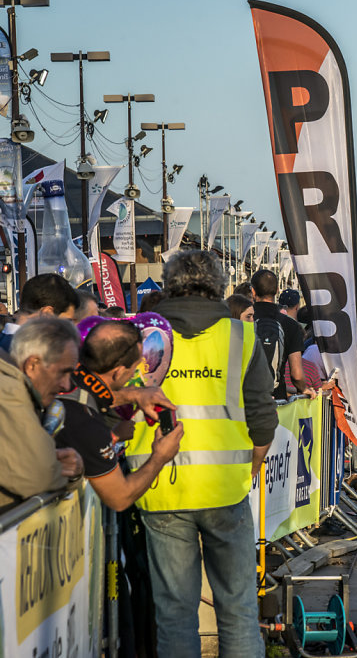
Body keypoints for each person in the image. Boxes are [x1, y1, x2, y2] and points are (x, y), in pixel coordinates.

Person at [124, 250, 278, 657]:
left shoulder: (140, 336)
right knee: (239, 610)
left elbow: (115, 408)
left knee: (174, 613)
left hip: (160, 488)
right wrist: (250, 470)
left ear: (169, 284)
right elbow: (263, 420)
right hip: (225, 490)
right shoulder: (240, 336)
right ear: (220, 286)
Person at [57, 319, 183, 511]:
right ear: (118, 372)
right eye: (134, 368)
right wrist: (160, 456)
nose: (136, 374)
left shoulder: (66, 374)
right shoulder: (87, 424)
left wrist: (131, 394)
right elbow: (120, 498)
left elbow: (89, 394)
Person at [0, 318, 84, 512]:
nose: (66, 385)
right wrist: (66, 471)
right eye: (62, 373)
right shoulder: (9, 391)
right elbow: (36, 476)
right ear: (33, 365)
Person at [251, 269, 313, 400]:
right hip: (278, 398)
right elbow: (296, 374)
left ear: (253, 291)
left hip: (247, 400)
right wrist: (304, 388)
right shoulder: (290, 325)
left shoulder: (243, 321)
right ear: (277, 291)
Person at [0, 273, 80, 349]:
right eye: (68, 321)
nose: (72, 328)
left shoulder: (4, 343)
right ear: (47, 314)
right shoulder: (30, 353)